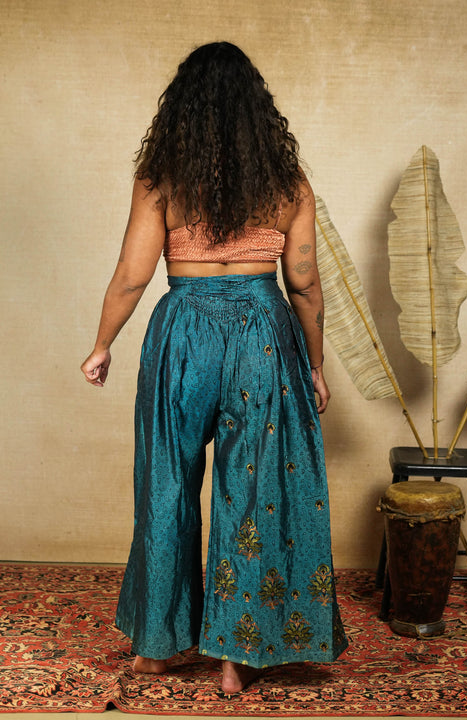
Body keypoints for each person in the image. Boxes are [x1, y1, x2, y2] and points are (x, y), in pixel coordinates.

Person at [81, 41, 347, 694]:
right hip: (262, 333)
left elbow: (132, 275)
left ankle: (156, 648)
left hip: (184, 333)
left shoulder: (161, 179)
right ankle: (237, 657)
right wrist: (314, 364)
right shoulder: (289, 184)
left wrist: (102, 343)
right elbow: (305, 284)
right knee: (252, 493)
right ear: (260, 111)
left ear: (181, 110)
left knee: (166, 485)